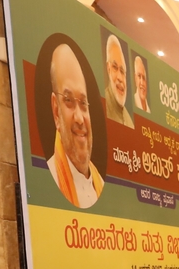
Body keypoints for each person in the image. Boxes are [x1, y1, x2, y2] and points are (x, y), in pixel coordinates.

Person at [46, 42, 104, 208]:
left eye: (83, 103)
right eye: (69, 101)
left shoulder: (100, 182)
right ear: (56, 111)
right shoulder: (50, 179)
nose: (79, 118)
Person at [102, 33, 133, 128]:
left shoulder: (129, 121)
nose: (120, 77)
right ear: (108, 69)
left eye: (122, 71)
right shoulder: (103, 106)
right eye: (115, 67)